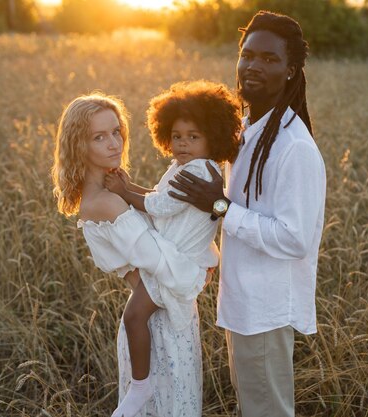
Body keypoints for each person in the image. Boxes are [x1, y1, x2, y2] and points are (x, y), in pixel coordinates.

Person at [168, 11, 326, 417]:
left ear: (291, 72)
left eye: (270, 59)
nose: (254, 66)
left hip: (265, 311)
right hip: (241, 304)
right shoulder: (247, 129)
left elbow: (295, 238)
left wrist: (219, 206)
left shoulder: (294, 147)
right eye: (247, 55)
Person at [51, 86, 240, 417]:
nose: (114, 143)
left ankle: (140, 388)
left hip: (164, 309)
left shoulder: (104, 198)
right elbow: (158, 256)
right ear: (78, 143)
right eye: (99, 137)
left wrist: (201, 258)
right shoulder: (106, 203)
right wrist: (198, 270)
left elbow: (168, 223)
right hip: (162, 323)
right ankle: (141, 387)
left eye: (116, 132)